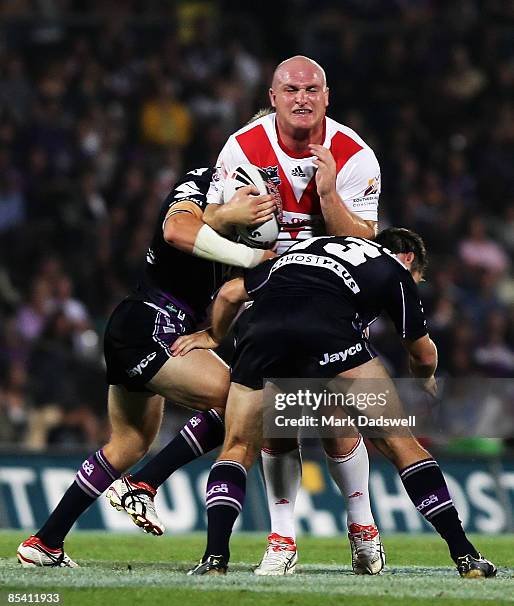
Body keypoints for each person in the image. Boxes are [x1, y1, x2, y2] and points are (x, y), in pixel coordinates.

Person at [118, 55, 385, 576]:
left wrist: (327, 194)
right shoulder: (241, 148)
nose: (302, 98)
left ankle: (362, 527)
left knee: (335, 418)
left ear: (327, 97)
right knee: (271, 418)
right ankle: (282, 540)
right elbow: (205, 227)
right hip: (264, 295)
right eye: (291, 90)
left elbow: (365, 241)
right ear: (273, 95)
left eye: (312, 89)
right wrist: (235, 242)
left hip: (334, 291)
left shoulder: (355, 156)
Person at [173, 228, 496, 579]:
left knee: (237, 445)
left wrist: (213, 336)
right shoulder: (393, 268)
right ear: (408, 260)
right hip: (328, 333)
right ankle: (465, 555)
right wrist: (426, 378)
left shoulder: (305, 247)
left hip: (262, 333)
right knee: (400, 442)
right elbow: (421, 351)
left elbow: (230, 293)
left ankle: (215, 559)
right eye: (416, 277)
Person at [16, 167, 276, 566]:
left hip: (143, 324)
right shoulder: (206, 182)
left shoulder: (258, 199)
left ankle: (45, 543)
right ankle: (144, 484)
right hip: (153, 323)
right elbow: (175, 230)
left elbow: (231, 292)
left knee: (129, 443)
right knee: (242, 401)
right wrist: (241, 241)